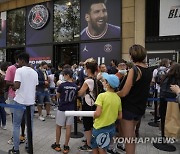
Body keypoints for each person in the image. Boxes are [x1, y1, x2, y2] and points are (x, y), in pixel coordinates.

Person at [117, 44, 152, 154]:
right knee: (130, 134)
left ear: (132, 55)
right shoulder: (148, 70)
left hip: (129, 108)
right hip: (140, 107)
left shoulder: (135, 70)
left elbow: (124, 93)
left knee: (129, 138)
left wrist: (112, 94)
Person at [8, 52, 38, 154]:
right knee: (30, 125)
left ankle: (16, 149)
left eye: (18, 60)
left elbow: (17, 85)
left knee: (16, 125)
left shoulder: (19, 70)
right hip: (31, 102)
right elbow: (35, 86)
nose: (18, 63)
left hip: (20, 101)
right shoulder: (34, 72)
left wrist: (12, 85)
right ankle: (29, 146)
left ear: (21, 60)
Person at [91, 73, 122, 154]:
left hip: (99, 127)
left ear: (108, 84)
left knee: (96, 147)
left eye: (104, 81)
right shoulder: (118, 98)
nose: (103, 82)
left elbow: (97, 113)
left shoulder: (101, 96)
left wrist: (93, 116)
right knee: (103, 147)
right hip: (111, 128)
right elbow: (120, 116)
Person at [51, 68, 78, 154]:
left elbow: (58, 96)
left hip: (62, 108)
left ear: (67, 75)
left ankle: (57, 144)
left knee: (58, 126)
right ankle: (66, 146)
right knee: (68, 127)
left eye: (64, 75)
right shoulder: (75, 86)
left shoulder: (62, 85)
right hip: (71, 108)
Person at [5, 51, 26, 145]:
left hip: (14, 96)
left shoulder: (11, 68)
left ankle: (16, 137)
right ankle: (22, 136)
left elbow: (7, 82)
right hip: (24, 96)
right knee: (22, 117)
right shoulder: (28, 69)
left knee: (15, 118)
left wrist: (15, 84)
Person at [78, 58, 98, 151]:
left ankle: (89, 144)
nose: (84, 70)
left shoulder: (88, 81)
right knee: (91, 124)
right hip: (94, 104)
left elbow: (80, 93)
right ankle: (89, 140)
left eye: (85, 68)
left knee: (87, 125)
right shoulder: (96, 79)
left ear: (89, 69)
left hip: (88, 104)